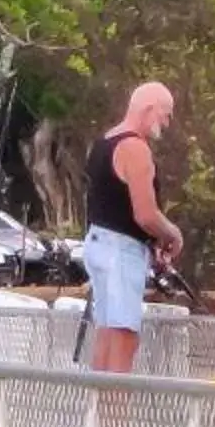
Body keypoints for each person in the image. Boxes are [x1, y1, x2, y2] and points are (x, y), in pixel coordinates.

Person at [84, 81, 180, 373]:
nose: (167, 123)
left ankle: (99, 416)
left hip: (99, 243)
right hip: (119, 252)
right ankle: (117, 418)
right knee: (124, 338)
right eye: (166, 114)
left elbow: (115, 207)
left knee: (107, 333)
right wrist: (172, 233)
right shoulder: (135, 148)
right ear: (149, 109)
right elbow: (145, 215)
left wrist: (151, 244)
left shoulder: (103, 143)